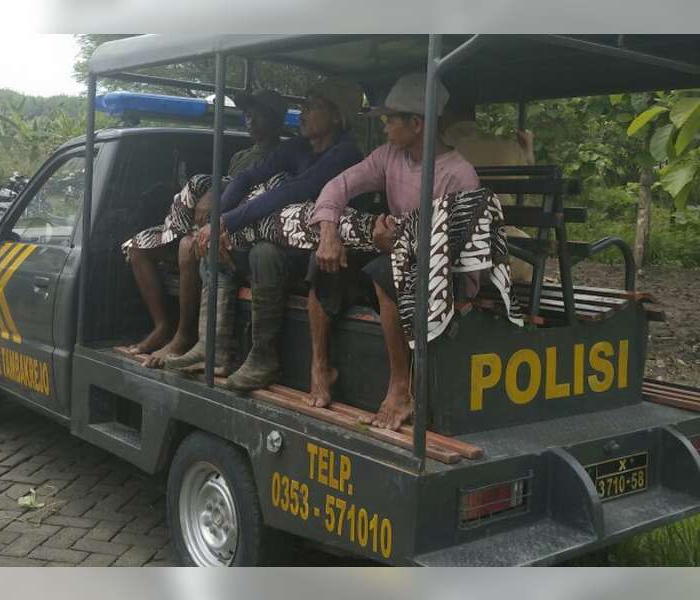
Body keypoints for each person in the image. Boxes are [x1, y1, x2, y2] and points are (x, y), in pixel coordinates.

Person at [164, 79, 364, 392]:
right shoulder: (297, 147)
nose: (303, 113)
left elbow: (296, 190)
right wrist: (218, 224)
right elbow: (246, 177)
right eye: (303, 105)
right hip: (281, 237)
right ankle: (212, 347)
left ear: (336, 116)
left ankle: (264, 357)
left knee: (263, 252)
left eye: (312, 106)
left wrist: (226, 222)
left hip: (321, 251)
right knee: (214, 246)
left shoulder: (344, 153)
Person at [308, 73, 481, 430]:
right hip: (401, 260)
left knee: (388, 269)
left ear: (416, 124)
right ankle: (321, 366)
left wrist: (402, 242)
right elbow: (339, 185)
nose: (385, 129)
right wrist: (328, 231)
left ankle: (402, 387)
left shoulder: (460, 174)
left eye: (390, 121)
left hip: (449, 277)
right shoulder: (390, 156)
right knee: (326, 260)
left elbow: (456, 252)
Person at [122, 89, 287, 362]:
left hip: (237, 231)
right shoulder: (241, 156)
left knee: (188, 246)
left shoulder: (282, 155)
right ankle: (162, 326)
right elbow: (229, 183)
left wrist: (215, 199)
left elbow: (253, 196)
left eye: (259, 115)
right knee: (138, 247)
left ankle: (184, 335)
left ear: (276, 120)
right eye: (248, 115)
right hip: (207, 227)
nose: (250, 121)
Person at [440, 98, 535, 283]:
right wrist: (528, 150)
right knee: (527, 250)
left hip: (443, 255)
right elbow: (528, 183)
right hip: (498, 253)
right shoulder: (507, 147)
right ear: (472, 117)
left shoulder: (434, 151)